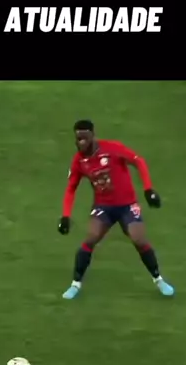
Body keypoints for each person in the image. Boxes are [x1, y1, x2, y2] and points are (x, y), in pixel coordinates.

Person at [58, 120, 174, 299]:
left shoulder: (112, 148)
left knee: (138, 239)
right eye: (78, 139)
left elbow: (138, 161)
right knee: (91, 238)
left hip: (127, 205)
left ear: (93, 136)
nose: (81, 143)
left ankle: (158, 280)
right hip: (103, 206)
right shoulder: (79, 161)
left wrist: (148, 189)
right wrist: (65, 216)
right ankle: (75, 284)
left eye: (84, 138)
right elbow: (71, 188)